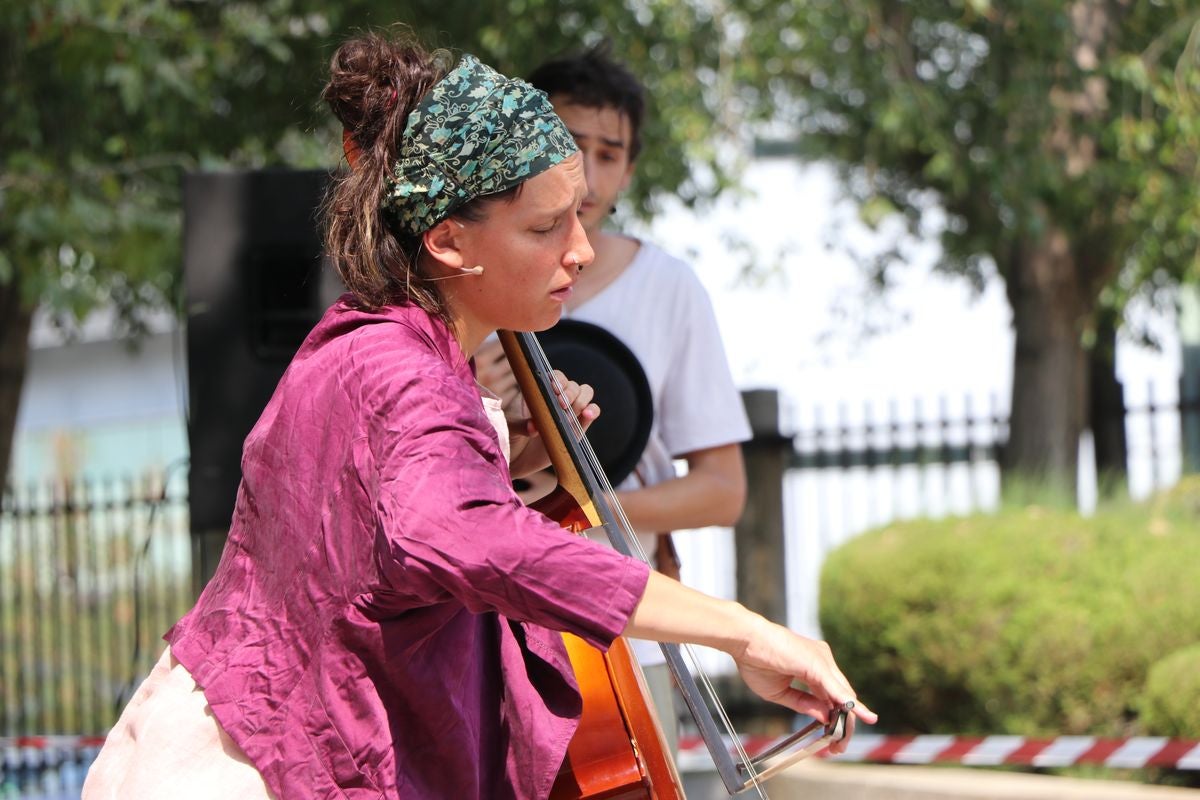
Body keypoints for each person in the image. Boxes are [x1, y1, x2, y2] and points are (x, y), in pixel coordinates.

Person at [82, 31, 875, 800]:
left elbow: (390, 535)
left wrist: (514, 462)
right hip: (256, 769)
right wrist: (740, 630)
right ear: (450, 242)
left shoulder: (388, 347)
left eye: (578, 217)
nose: (581, 251)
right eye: (544, 227)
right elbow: (476, 539)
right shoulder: (399, 372)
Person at [475, 43, 751, 756]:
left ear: (628, 169)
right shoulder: (472, 285)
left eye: (609, 153)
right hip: (488, 625)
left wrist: (579, 510)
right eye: (569, 146)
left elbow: (722, 492)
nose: (588, 176)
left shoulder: (669, 288)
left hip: (629, 634)